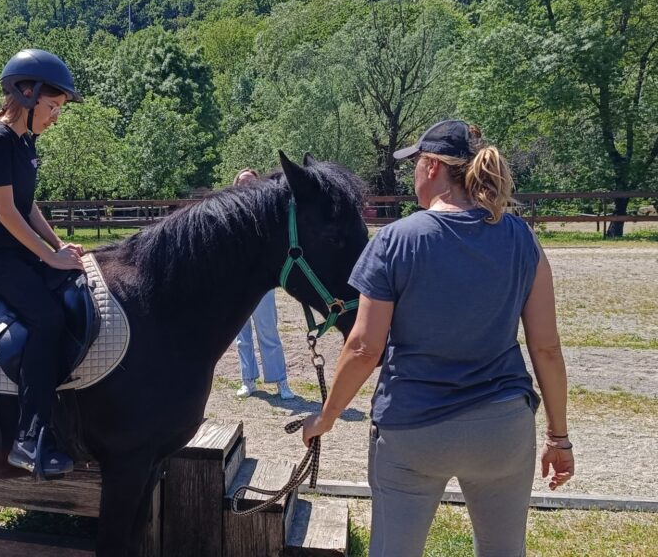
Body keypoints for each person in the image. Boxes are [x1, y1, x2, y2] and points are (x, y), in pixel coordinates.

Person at [301, 120, 574, 556]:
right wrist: (558, 438)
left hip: (412, 431)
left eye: (415, 165)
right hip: (502, 429)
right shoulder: (522, 238)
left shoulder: (396, 240)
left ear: (430, 167)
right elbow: (546, 348)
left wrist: (327, 417)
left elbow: (364, 347)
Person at [0, 48, 84, 477]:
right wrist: (48, 257)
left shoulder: (24, 140)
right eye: (52, 107)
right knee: (48, 318)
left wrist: (60, 246)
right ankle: (28, 438)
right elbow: (5, 214)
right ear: (27, 95)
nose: (56, 116)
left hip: (23, 249)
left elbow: (28, 207)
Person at [232, 168, 294, 400]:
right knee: (241, 335)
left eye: (251, 181)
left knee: (268, 332)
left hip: (260, 283)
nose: (246, 185)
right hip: (237, 282)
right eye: (242, 182)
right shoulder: (230, 212)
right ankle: (247, 379)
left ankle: (280, 381)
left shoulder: (267, 213)